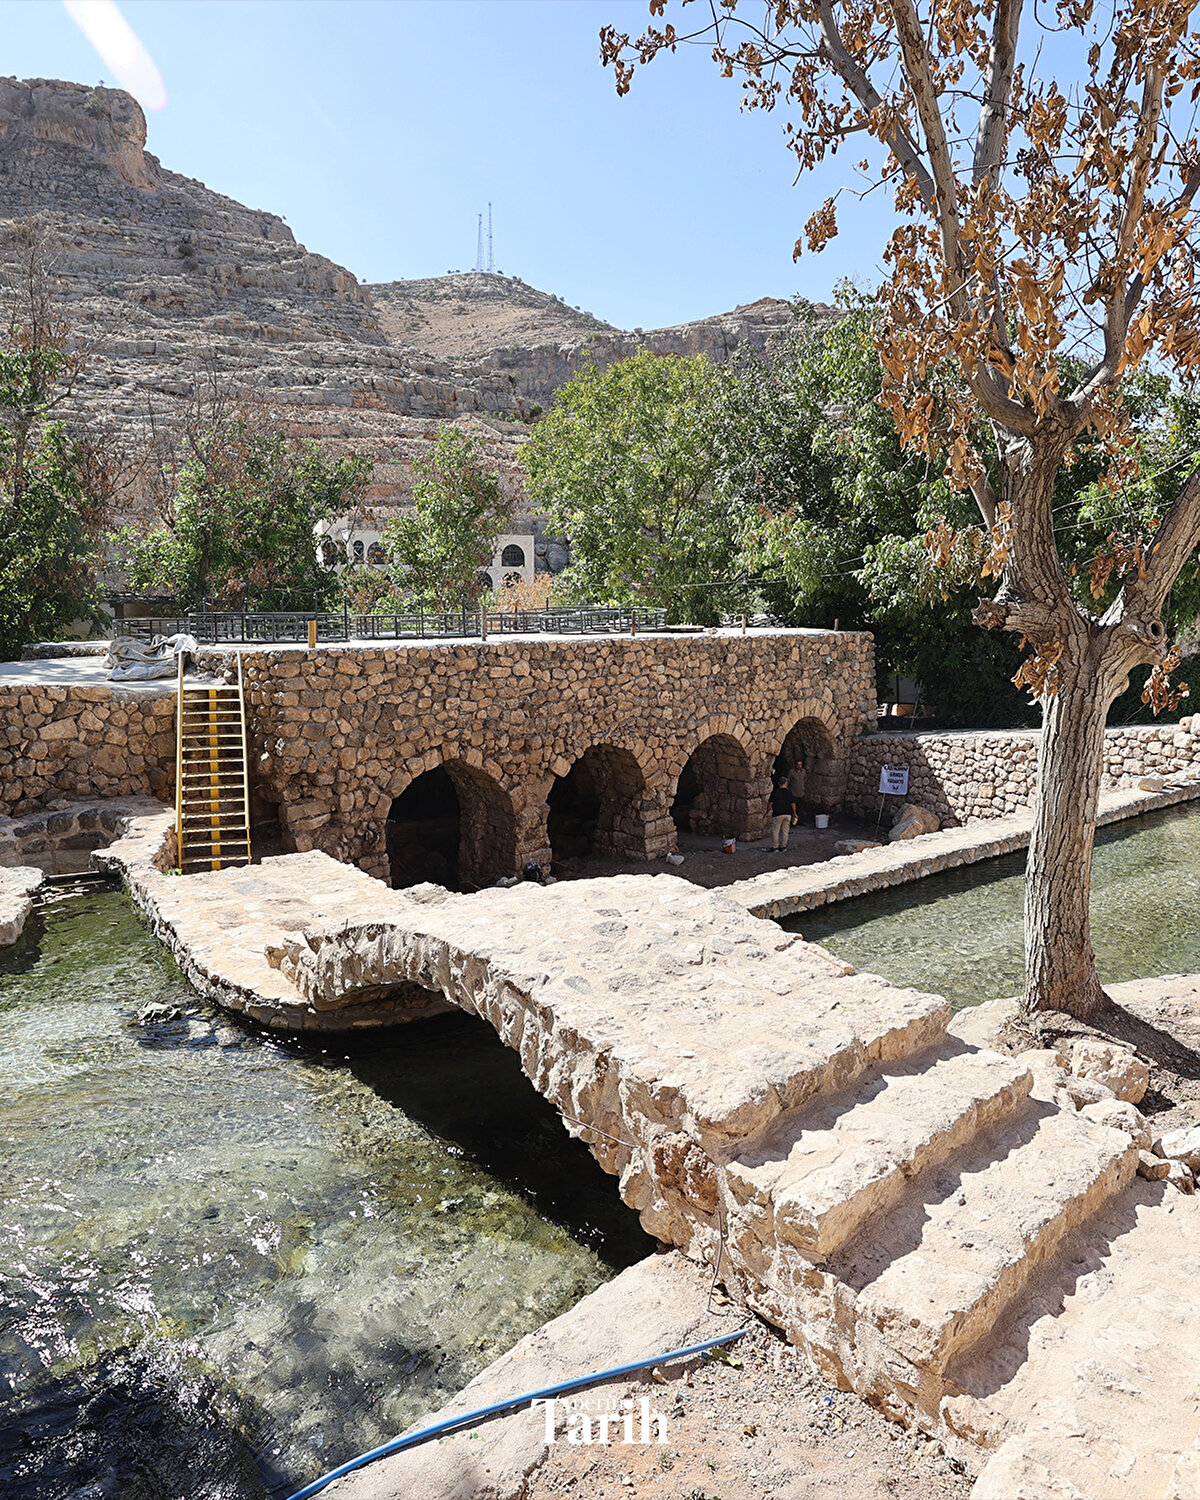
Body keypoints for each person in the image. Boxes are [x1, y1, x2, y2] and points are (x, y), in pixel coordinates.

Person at [768, 775, 795, 852]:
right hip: (787, 814)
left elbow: (770, 803)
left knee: (775, 831)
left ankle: (775, 847)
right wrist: (795, 813)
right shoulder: (789, 792)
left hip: (777, 814)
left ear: (779, 784)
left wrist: (767, 811)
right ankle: (783, 847)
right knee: (785, 831)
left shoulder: (775, 792)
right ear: (785, 784)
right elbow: (793, 803)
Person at [786, 759, 806, 824]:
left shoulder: (804, 771)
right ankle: (793, 823)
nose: (799, 766)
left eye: (800, 765)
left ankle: (799, 821)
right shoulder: (791, 772)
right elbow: (788, 781)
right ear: (795, 765)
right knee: (793, 809)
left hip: (801, 793)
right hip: (793, 793)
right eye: (798, 765)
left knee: (800, 808)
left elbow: (805, 779)